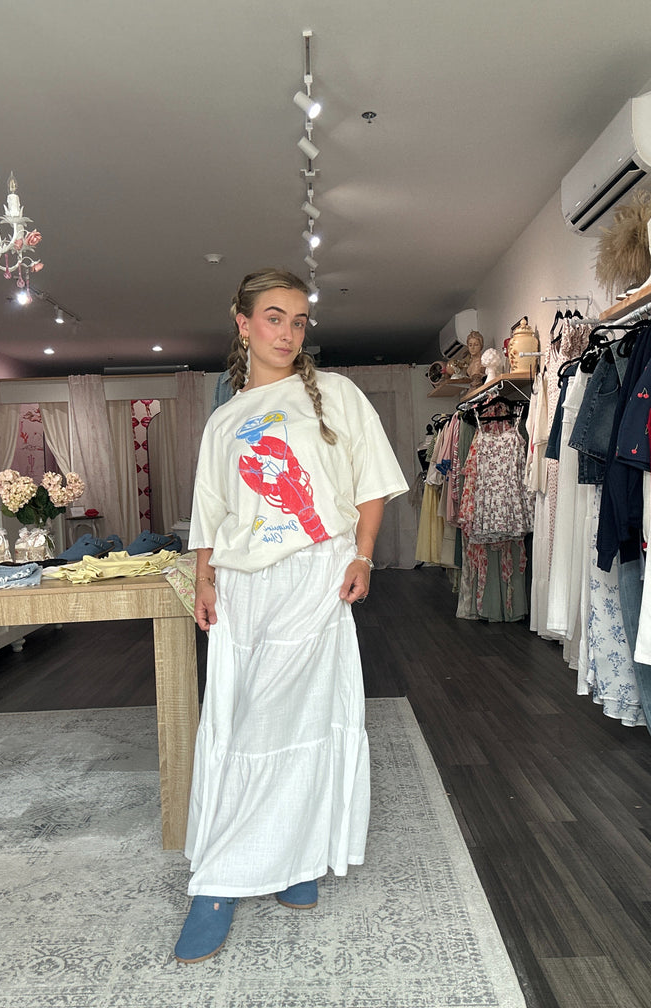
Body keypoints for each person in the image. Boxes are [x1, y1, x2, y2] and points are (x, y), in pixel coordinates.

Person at [175, 269, 408, 963]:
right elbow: (210, 511)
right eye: (274, 317)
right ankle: (283, 857)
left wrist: (363, 555)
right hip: (244, 586)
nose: (287, 333)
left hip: (316, 574)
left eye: (299, 321)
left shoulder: (335, 394)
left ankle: (222, 882)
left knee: (293, 716)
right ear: (242, 323)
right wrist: (203, 578)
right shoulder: (223, 422)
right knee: (241, 717)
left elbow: (371, 483)